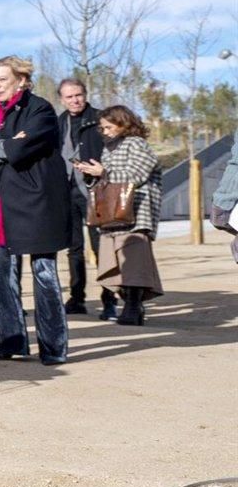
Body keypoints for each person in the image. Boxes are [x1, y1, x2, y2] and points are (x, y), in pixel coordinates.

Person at [0, 55, 70, 365]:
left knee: (44, 276)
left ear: (21, 80)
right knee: (3, 278)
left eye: (2, 79)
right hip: (0, 205)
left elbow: (19, 149)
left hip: (38, 203)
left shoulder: (39, 109)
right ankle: (12, 342)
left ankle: (54, 348)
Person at [76, 105, 163, 325]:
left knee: (133, 262)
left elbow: (138, 174)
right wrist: (92, 175)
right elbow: (108, 181)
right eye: (102, 128)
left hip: (135, 212)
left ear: (122, 123)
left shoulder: (137, 144)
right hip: (111, 214)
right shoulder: (110, 148)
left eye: (108, 126)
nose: (104, 131)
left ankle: (133, 306)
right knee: (113, 260)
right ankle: (130, 305)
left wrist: (104, 172)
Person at [57, 78, 109, 317]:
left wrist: (103, 170)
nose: (75, 100)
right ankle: (76, 298)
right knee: (74, 248)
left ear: (85, 94)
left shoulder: (100, 119)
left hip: (95, 190)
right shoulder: (59, 123)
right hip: (67, 193)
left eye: (78, 95)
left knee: (101, 246)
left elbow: (114, 150)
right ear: (62, 99)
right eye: (69, 97)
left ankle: (109, 299)